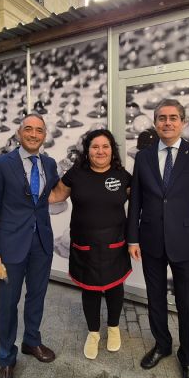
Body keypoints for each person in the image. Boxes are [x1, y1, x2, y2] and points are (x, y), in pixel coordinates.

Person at [127, 98, 189, 378]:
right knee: (155, 298)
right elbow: (137, 201)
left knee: (188, 305)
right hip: (151, 240)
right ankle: (162, 345)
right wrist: (133, 238)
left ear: (183, 123)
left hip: (187, 243)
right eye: (162, 118)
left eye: (173, 118)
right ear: (155, 123)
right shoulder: (143, 158)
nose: (167, 122)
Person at [0, 114, 59, 378]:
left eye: (39, 130)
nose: (34, 134)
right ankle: (6, 359)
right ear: (19, 132)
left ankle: (32, 341)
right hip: (10, 245)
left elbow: (53, 195)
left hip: (41, 243)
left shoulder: (49, 164)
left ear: (45, 134)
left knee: (37, 296)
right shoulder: (1, 165)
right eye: (29, 129)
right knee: (8, 303)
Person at [50, 129, 132, 360]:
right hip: (84, 244)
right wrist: (23, 192)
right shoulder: (77, 174)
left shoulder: (122, 175)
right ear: (87, 151)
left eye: (105, 146)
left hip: (114, 244)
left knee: (115, 288)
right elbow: (55, 196)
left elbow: (140, 202)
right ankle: (93, 333)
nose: (100, 151)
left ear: (112, 150)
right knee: (90, 289)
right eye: (95, 147)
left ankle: (114, 328)